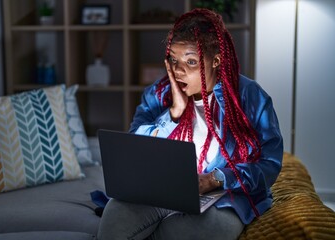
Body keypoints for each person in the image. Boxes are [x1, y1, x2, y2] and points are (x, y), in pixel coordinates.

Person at [96, 8, 283, 240]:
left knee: (214, 230)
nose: (178, 71)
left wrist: (215, 178)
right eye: (174, 60)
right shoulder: (159, 93)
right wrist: (174, 113)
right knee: (115, 214)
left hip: (221, 195)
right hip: (161, 189)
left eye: (191, 61)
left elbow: (269, 164)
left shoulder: (250, 97)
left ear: (216, 60)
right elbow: (136, 147)